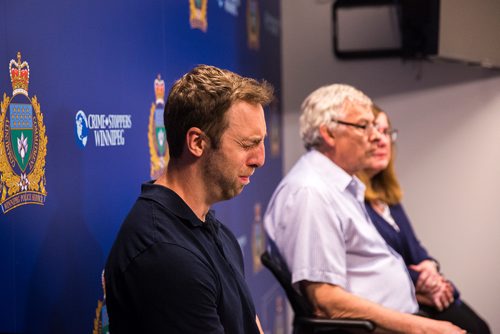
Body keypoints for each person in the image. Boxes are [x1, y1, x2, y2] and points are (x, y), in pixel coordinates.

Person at [263, 84, 466, 333]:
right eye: (363, 126)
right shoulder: (312, 193)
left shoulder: (339, 185)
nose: (376, 136)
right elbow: (326, 302)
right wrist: (422, 327)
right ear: (328, 133)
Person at [105, 65, 274, 334]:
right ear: (197, 143)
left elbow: (249, 323)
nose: (260, 159)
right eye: (247, 145)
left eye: (263, 142)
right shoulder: (164, 253)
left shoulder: (212, 229)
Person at [357, 105, 490, 333]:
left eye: (386, 132)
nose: (381, 140)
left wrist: (431, 268)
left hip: (420, 292)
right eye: (374, 132)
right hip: (394, 304)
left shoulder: (388, 197)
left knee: (479, 326)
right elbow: (377, 265)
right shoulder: (354, 200)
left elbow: (416, 249)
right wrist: (423, 280)